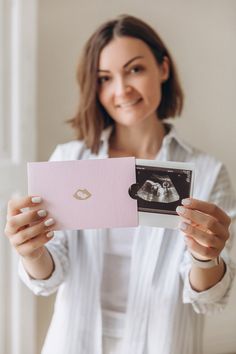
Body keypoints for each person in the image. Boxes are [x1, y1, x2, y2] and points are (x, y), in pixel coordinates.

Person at [4, 14, 236, 354]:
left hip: (165, 343)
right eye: (104, 78)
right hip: (74, 343)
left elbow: (210, 296)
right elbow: (48, 276)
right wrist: (32, 251)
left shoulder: (205, 171)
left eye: (135, 69)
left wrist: (206, 257)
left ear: (164, 69)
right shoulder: (69, 160)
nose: (121, 89)